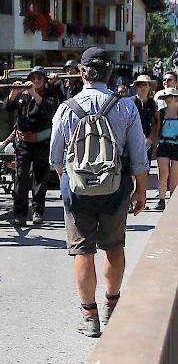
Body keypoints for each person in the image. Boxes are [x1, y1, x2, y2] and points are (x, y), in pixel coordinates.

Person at [49, 47, 148, 338]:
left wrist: (70, 179)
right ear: (110, 73)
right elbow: (139, 155)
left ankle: (89, 316)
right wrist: (141, 190)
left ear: (82, 73)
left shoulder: (67, 107)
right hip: (116, 187)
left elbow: (55, 157)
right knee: (114, 247)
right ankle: (112, 306)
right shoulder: (126, 106)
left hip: (77, 187)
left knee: (82, 251)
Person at [4, 66, 59, 226]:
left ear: (44, 80)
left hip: (41, 142)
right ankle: (20, 214)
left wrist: (34, 93)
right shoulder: (23, 93)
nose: (35, 81)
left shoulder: (50, 94)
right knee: (21, 178)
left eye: (39, 78)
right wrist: (14, 92)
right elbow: (7, 108)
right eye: (33, 78)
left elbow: (49, 110)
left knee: (40, 179)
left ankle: (37, 211)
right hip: (23, 143)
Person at [155, 87, 178, 211]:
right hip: (163, 144)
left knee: (175, 174)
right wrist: (155, 145)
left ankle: (172, 200)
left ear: (175, 98)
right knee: (163, 173)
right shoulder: (161, 112)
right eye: (166, 97)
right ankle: (161, 200)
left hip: (176, 145)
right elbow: (158, 129)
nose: (167, 99)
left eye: (170, 97)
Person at [131, 75, 159, 165]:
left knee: (145, 171)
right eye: (140, 85)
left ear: (149, 87)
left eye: (145, 85)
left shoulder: (152, 103)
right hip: (132, 142)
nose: (142, 88)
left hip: (147, 143)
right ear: (136, 87)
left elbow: (155, 123)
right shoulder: (130, 102)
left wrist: (151, 139)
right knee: (132, 172)